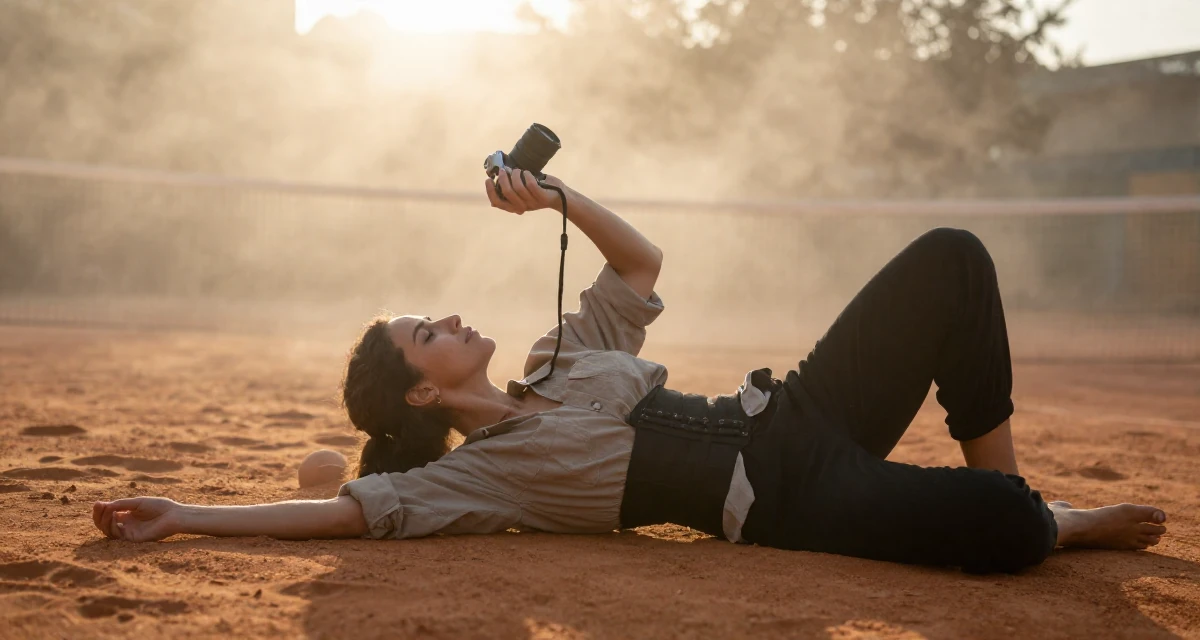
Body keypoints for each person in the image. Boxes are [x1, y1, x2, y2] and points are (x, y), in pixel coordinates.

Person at [92, 168, 1168, 574]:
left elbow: (639, 262)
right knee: (1005, 534)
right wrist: (187, 513)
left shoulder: (562, 355)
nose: (454, 315)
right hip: (791, 498)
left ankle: (1030, 484)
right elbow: (342, 516)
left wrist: (556, 198)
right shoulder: (473, 478)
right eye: (429, 327)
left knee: (952, 257)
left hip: (796, 406)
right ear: (421, 389)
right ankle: (1043, 515)